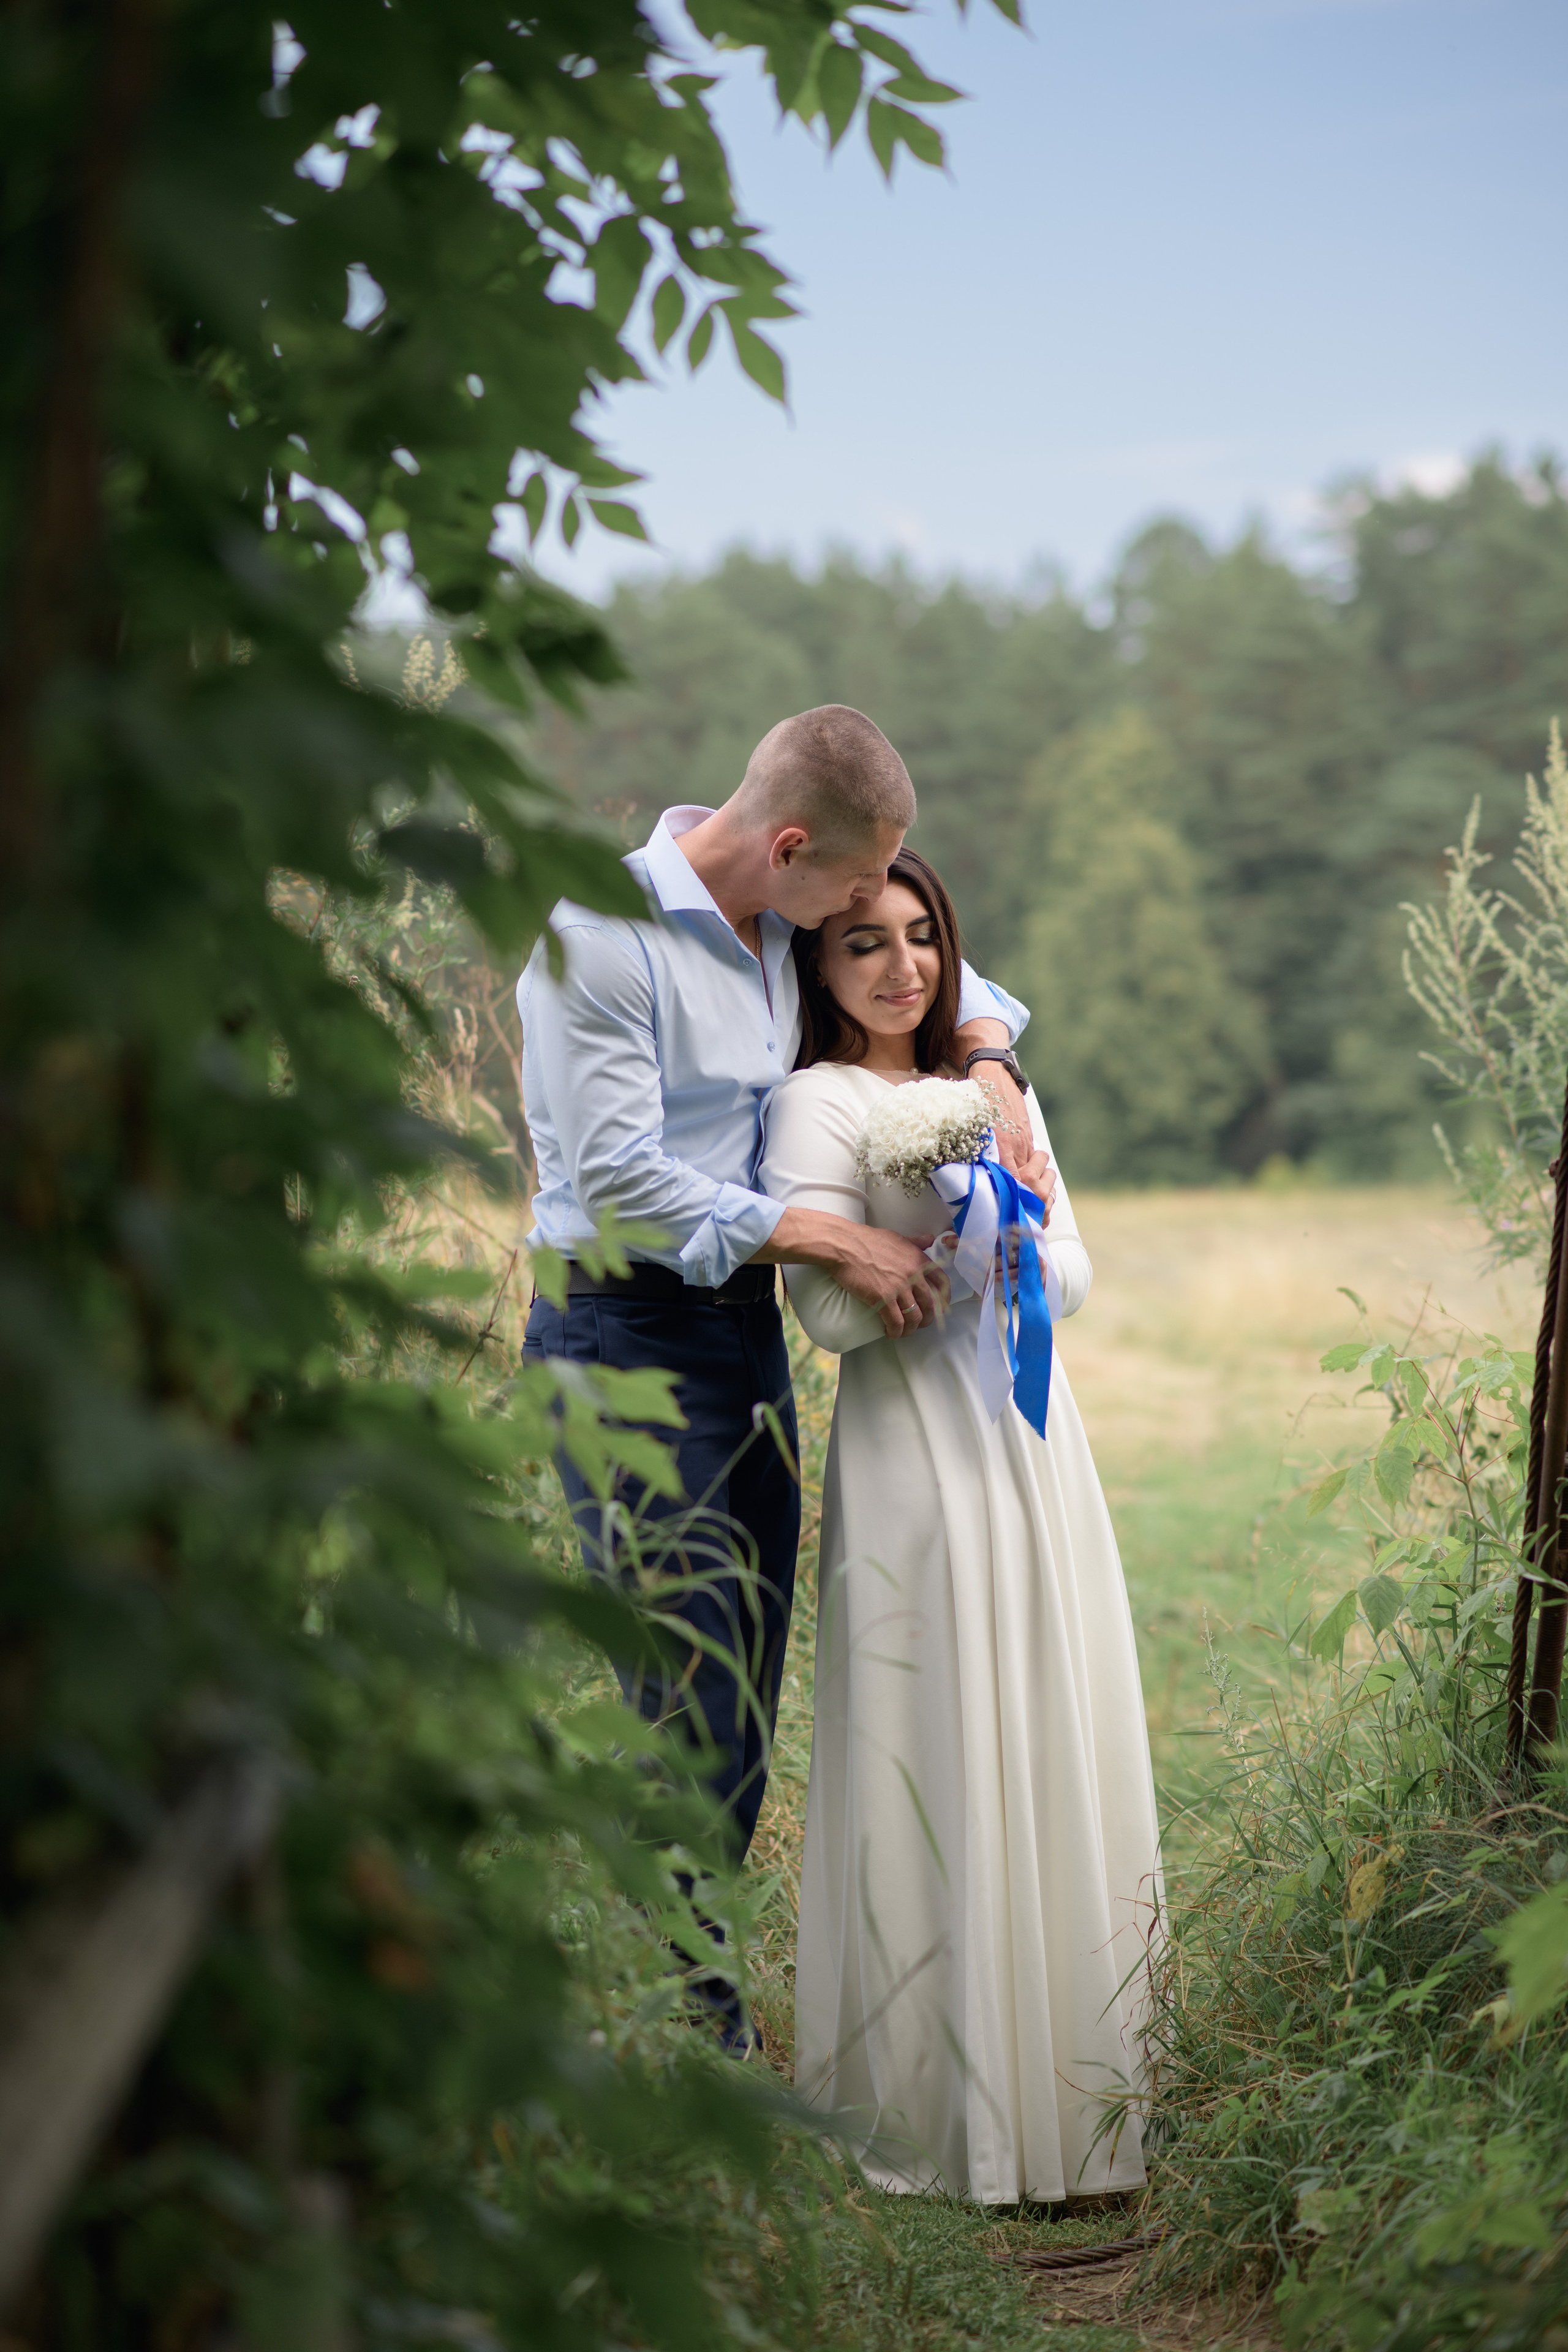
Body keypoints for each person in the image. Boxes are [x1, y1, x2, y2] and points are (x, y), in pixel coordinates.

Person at [517, 706, 1042, 2037]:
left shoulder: (777, 915)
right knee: (683, 1687)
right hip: (618, 1331)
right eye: (853, 885)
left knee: (741, 1689)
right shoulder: (601, 939)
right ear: (793, 846)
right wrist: (833, 1236)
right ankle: (682, 2029)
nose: (864, 911)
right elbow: (622, 1182)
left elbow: (940, 973)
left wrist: (989, 1056)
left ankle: (684, 2001)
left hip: (738, 1331)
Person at [757, 843, 1160, 2198]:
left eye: (920, 935)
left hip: (1030, 1446)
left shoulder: (992, 1089)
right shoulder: (812, 1103)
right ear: (819, 963)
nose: (900, 965)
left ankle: (1074, 2102)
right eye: (863, 940)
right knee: (928, 1732)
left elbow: (1076, 1268)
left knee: (1045, 1715)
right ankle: (937, 2119)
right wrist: (920, 1263)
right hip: (910, 1461)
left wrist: (1008, 1244)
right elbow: (824, 1315)